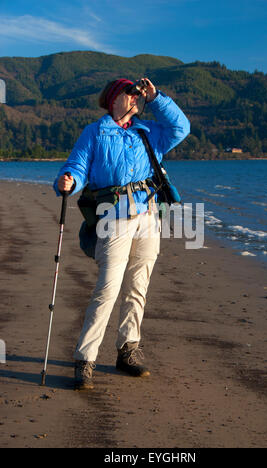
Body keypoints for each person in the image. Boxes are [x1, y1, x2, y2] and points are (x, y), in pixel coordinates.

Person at [53, 77, 190, 390]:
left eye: (138, 93)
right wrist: (67, 181)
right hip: (112, 219)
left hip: (149, 216)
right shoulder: (95, 132)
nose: (136, 97)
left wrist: (156, 97)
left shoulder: (150, 132)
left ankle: (128, 350)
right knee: (107, 289)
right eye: (131, 92)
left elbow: (182, 128)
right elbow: (75, 167)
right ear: (114, 98)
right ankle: (85, 358)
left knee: (137, 287)